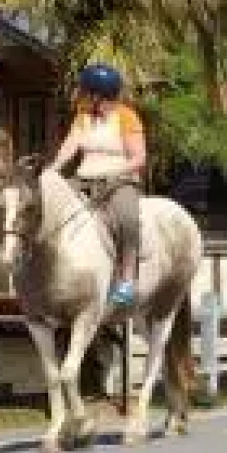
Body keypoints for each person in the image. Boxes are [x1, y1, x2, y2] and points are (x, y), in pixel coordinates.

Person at [48, 62, 146, 309]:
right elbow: (70, 147)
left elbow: (138, 158)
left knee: (128, 218)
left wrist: (112, 172)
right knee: (51, 206)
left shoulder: (126, 116)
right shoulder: (83, 117)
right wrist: (53, 169)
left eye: (87, 93)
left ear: (98, 95)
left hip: (120, 180)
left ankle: (127, 279)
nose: (83, 97)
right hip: (84, 177)